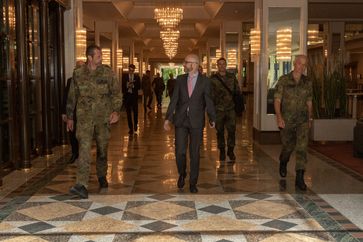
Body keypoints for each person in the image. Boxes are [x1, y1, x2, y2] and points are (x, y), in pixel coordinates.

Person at [66, 45, 122, 199]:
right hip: (84, 119)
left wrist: (116, 111)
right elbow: (72, 97)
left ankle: (102, 174)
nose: (101, 58)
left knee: (102, 150)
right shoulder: (78, 74)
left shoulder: (107, 72)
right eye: (98, 56)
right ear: (89, 58)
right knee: (83, 149)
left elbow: (117, 94)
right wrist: (69, 117)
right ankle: (81, 184)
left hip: (103, 118)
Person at [164, 54, 216, 193]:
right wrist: (168, 118)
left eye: (186, 62)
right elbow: (174, 100)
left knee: (194, 153)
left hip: (197, 121)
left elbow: (208, 101)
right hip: (181, 120)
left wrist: (212, 118)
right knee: (179, 151)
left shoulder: (205, 81)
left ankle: (193, 182)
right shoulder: (180, 79)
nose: (184, 64)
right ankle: (182, 173)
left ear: (194, 65)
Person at [274, 54, 313, 191]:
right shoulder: (284, 80)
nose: (301, 67)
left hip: (302, 120)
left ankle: (300, 178)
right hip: (287, 120)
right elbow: (277, 100)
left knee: (302, 148)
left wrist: (310, 118)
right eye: (299, 64)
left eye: (304, 65)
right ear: (294, 64)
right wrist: (279, 116)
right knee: (288, 147)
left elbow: (309, 101)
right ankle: (283, 161)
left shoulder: (307, 82)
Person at [210, 57, 240, 161]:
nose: (222, 66)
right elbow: (210, 95)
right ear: (217, 66)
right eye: (220, 64)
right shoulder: (213, 79)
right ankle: (222, 150)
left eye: (223, 64)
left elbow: (237, 91)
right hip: (218, 110)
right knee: (220, 131)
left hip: (230, 108)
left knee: (232, 130)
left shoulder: (232, 77)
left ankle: (230, 150)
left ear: (226, 65)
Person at [61, 60, 84, 164]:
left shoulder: (88, 81)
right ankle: (75, 153)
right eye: (78, 66)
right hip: (73, 112)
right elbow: (66, 97)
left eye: (81, 66)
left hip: (85, 113)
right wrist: (64, 112)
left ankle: (83, 155)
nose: (79, 68)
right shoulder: (70, 80)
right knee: (72, 133)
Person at [122, 64, 141, 134]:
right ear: (128, 69)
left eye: (132, 70)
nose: (131, 71)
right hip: (127, 97)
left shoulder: (137, 77)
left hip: (134, 97)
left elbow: (139, 86)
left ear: (134, 70)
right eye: (130, 70)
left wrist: (133, 85)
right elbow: (123, 86)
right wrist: (127, 85)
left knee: (135, 112)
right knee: (128, 113)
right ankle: (130, 128)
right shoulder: (124, 77)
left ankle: (135, 124)